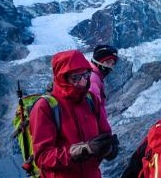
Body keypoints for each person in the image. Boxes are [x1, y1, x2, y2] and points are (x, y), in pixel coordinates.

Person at [29, 50, 118, 178]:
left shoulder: (90, 99)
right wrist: (83, 150)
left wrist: (109, 147)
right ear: (61, 77)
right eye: (75, 78)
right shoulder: (45, 107)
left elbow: (105, 133)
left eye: (86, 75)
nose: (82, 82)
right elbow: (43, 157)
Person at [89, 45, 118, 120]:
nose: (110, 67)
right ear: (98, 61)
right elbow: (95, 111)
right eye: (108, 62)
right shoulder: (93, 80)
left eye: (113, 64)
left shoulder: (94, 76)